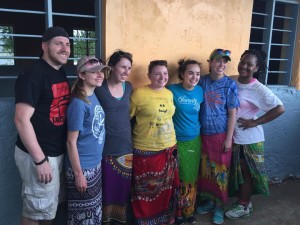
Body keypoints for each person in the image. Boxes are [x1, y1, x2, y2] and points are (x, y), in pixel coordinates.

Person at [14, 26, 71, 225]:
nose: (65, 48)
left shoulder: (60, 72)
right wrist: (40, 160)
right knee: (35, 210)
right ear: (44, 46)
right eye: (58, 44)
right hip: (38, 155)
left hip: (56, 153)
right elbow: (21, 119)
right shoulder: (33, 73)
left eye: (67, 44)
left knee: (48, 209)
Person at [225, 49, 285, 220]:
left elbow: (280, 108)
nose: (244, 66)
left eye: (249, 64)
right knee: (238, 173)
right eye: (242, 62)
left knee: (247, 173)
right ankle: (244, 201)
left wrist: (255, 122)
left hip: (250, 139)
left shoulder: (259, 89)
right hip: (235, 137)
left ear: (256, 68)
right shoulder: (232, 81)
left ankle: (244, 206)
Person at [130, 60, 179, 225]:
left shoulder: (169, 93)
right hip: (146, 151)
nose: (162, 77)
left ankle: (164, 219)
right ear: (149, 75)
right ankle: (145, 221)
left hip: (169, 148)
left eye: (165, 73)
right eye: (157, 73)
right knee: (146, 191)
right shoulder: (138, 94)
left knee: (167, 189)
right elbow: (126, 118)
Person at [196, 49, 239, 225]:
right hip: (203, 134)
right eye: (218, 61)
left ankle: (220, 206)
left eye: (225, 62)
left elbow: (232, 113)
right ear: (210, 62)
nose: (221, 65)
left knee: (221, 172)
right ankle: (210, 201)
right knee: (206, 171)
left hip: (221, 135)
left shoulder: (229, 85)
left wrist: (229, 138)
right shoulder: (202, 81)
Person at [65, 56, 109, 224]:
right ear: (82, 75)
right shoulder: (78, 103)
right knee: (83, 217)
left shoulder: (92, 95)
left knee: (92, 212)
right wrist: (79, 175)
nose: (100, 75)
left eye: (101, 71)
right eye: (93, 72)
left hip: (93, 165)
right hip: (82, 168)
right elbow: (71, 142)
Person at [94, 50, 133, 225]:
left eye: (129, 68)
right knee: (105, 191)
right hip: (104, 150)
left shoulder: (129, 87)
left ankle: (120, 221)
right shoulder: (99, 88)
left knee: (122, 191)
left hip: (126, 148)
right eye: (123, 67)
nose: (126, 71)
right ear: (112, 67)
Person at [167, 59, 203, 224]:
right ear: (182, 74)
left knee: (190, 177)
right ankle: (176, 212)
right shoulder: (171, 90)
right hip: (174, 141)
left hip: (193, 140)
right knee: (175, 178)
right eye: (190, 73)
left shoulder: (200, 91)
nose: (194, 77)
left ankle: (189, 211)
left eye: (197, 73)